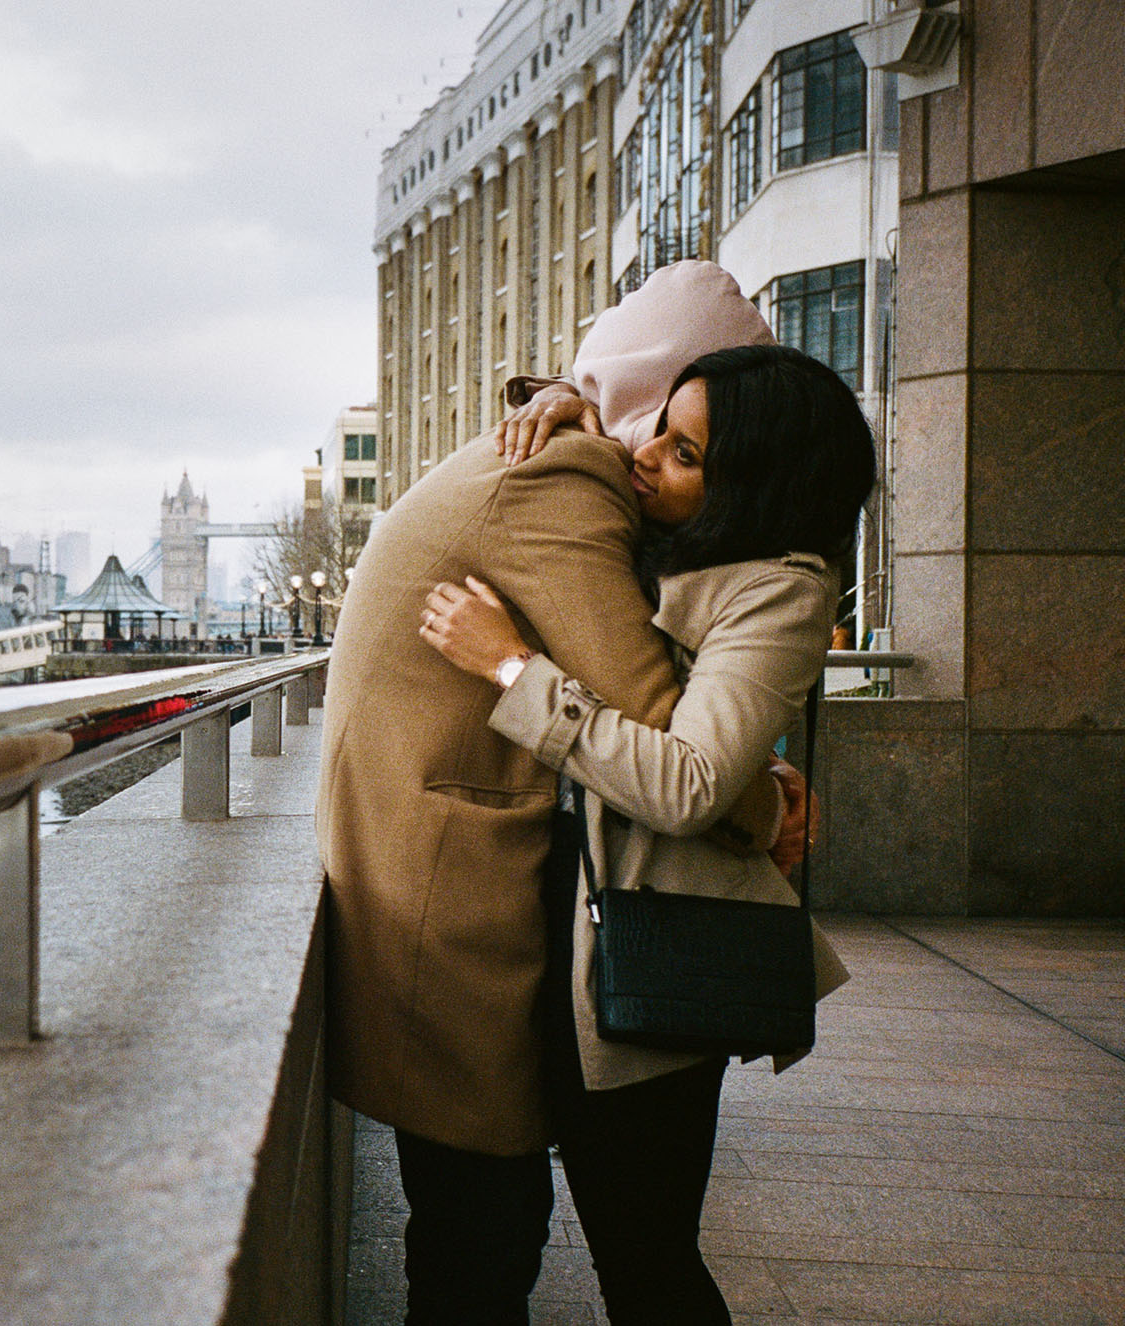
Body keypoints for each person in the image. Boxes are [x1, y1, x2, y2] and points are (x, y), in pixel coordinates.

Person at [316, 260, 797, 1324]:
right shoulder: (562, 477)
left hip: (445, 869)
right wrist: (763, 801)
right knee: (480, 1229)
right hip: (448, 892)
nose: (668, 452)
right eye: (675, 421)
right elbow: (660, 724)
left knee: (482, 1223)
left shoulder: (554, 447)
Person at [416, 343, 874, 1323]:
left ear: (752, 481)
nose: (645, 455)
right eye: (658, 425)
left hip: (651, 953)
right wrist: (566, 401)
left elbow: (689, 782)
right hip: (549, 924)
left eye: (683, 451)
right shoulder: (666, 534)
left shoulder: (778, 589)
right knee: (519, 1238)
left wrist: (508, 670)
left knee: (645, 1261)